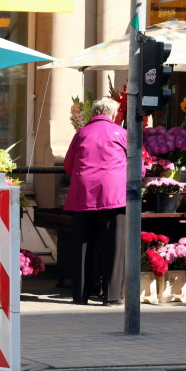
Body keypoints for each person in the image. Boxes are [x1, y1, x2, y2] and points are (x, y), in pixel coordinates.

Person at [63, 97, 127, 306]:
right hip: (113, 193)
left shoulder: (81, 133)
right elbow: (138, 165)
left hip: (83, 192)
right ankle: (111, 295)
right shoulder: (121, 133)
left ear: (93, 113)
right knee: (113, 245)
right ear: (113, 114)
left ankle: (80, 295)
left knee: (82, 244)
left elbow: (69, 164)